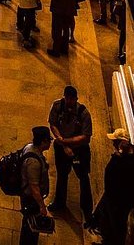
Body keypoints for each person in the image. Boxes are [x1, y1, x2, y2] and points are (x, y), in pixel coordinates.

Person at [48, 85, 93, 225]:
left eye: (72, 99)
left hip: (79, 151)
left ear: (76, 99)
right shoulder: (57, 106)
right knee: (62, 175)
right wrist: (62, 143)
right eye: (67, 99)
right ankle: (59, 202)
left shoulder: (83, 113)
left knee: (83, 177)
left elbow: (85, 137)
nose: (69, 102)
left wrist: (64, 142)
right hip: (62, 148)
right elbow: (53, 124)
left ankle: (87, 209)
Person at [90, 128, 134, 245]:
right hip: (114, 199)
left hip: (118, 202)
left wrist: (117, 157)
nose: (113, 144)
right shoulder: (124, 158)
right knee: (110, 223)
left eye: (115, 141)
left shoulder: (123, 161)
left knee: (116, 226)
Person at [18, 125, 52, 245]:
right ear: (43, 142)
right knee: (31, 226)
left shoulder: (29, 147)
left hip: (28, 195)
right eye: (49, 140)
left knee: (29, 224)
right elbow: (34, 188)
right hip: (30, 198)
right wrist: (42, 206)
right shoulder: (34, 162)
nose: (50, 143)